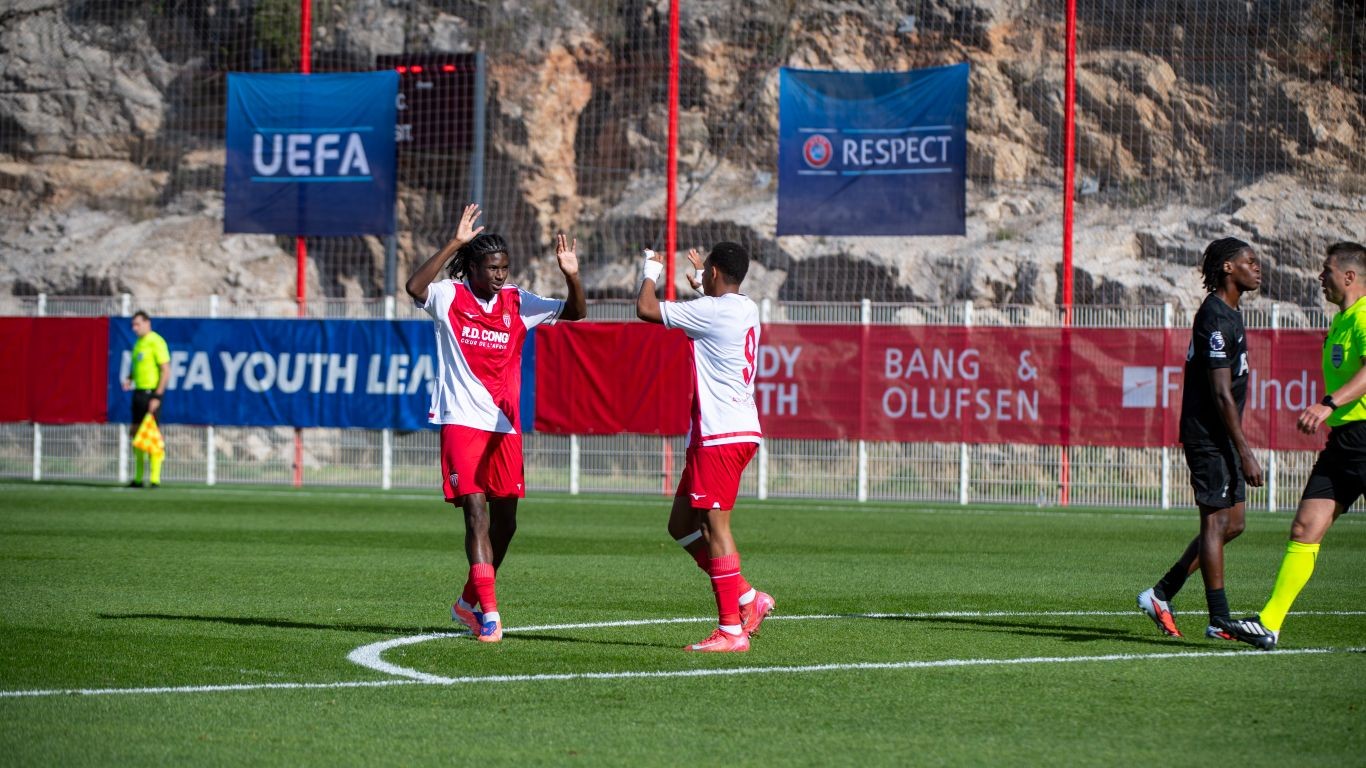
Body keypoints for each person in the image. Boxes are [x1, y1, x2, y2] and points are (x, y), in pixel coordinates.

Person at [405, 203, 586, 643]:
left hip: (504, 425)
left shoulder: (518, 302)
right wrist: (455, 242)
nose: (500, 275)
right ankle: (490, 614)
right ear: (472, 267)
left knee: (507, 524)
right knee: (476, 512)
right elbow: (414, 287)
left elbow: (576, 312)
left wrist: (572, 275)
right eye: (491, 268)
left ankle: (467, 602)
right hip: (461, 419)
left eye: (504, 267)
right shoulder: (449, 296)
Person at [1222, 241, 1366, 650]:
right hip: (1344, 442)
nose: (1320, 277)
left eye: (1327, 270)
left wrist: (1328, 403)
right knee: (1304, 528)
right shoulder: (1342, 321)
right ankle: (1269, 624)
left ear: (1349, 277)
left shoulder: (1364, 316)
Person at [636, 243, 773, 653]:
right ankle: (747, 597)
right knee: (681, 525)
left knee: (715, 528)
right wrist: (701, 281)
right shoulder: (745, 307)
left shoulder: (711, 312)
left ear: (714, 272)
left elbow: (646, 308)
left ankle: (731, 629)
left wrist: (651, 269)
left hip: (721, 435)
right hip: (731, 430)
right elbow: (715, 308)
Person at [1137, 237, 1264, 640]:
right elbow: (1221, 393)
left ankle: (1161, 593)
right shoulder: (1214, 317)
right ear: (1228, 267)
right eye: (1249, 261)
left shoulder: (1231, 313)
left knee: (1234, 524)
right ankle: (1219, 618)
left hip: (1222, 435)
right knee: (1215, 522)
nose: (1257, 267)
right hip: (1208, 437)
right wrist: (1245, 451)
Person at [122, 310, 170, 489]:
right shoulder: (138, 343)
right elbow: (138, 367)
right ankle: (138, 478)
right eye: (133, 325)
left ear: (147, 323)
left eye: (137, 324)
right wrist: (130, 377)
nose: (134, 328)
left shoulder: (156, 341)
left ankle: (155, 478)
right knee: (136, 434)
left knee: (152, 435)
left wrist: (157, 396)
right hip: (138, 393)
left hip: (151, 394)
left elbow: (166, 370)